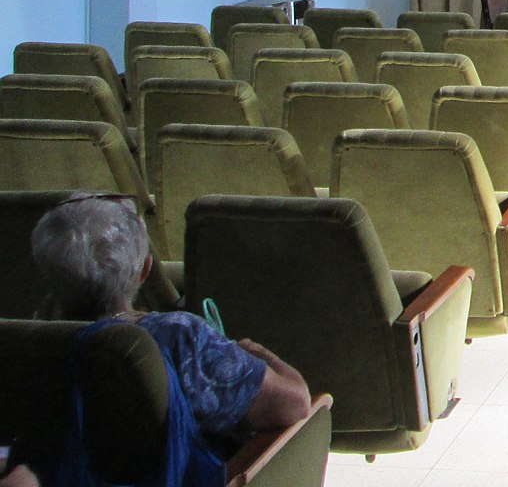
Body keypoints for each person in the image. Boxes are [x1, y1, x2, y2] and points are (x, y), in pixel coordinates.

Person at [25, 195, 311, 458]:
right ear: (144, 271)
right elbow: (296, 404)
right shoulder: (180, 337)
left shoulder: (26, 340)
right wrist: (254, 351)